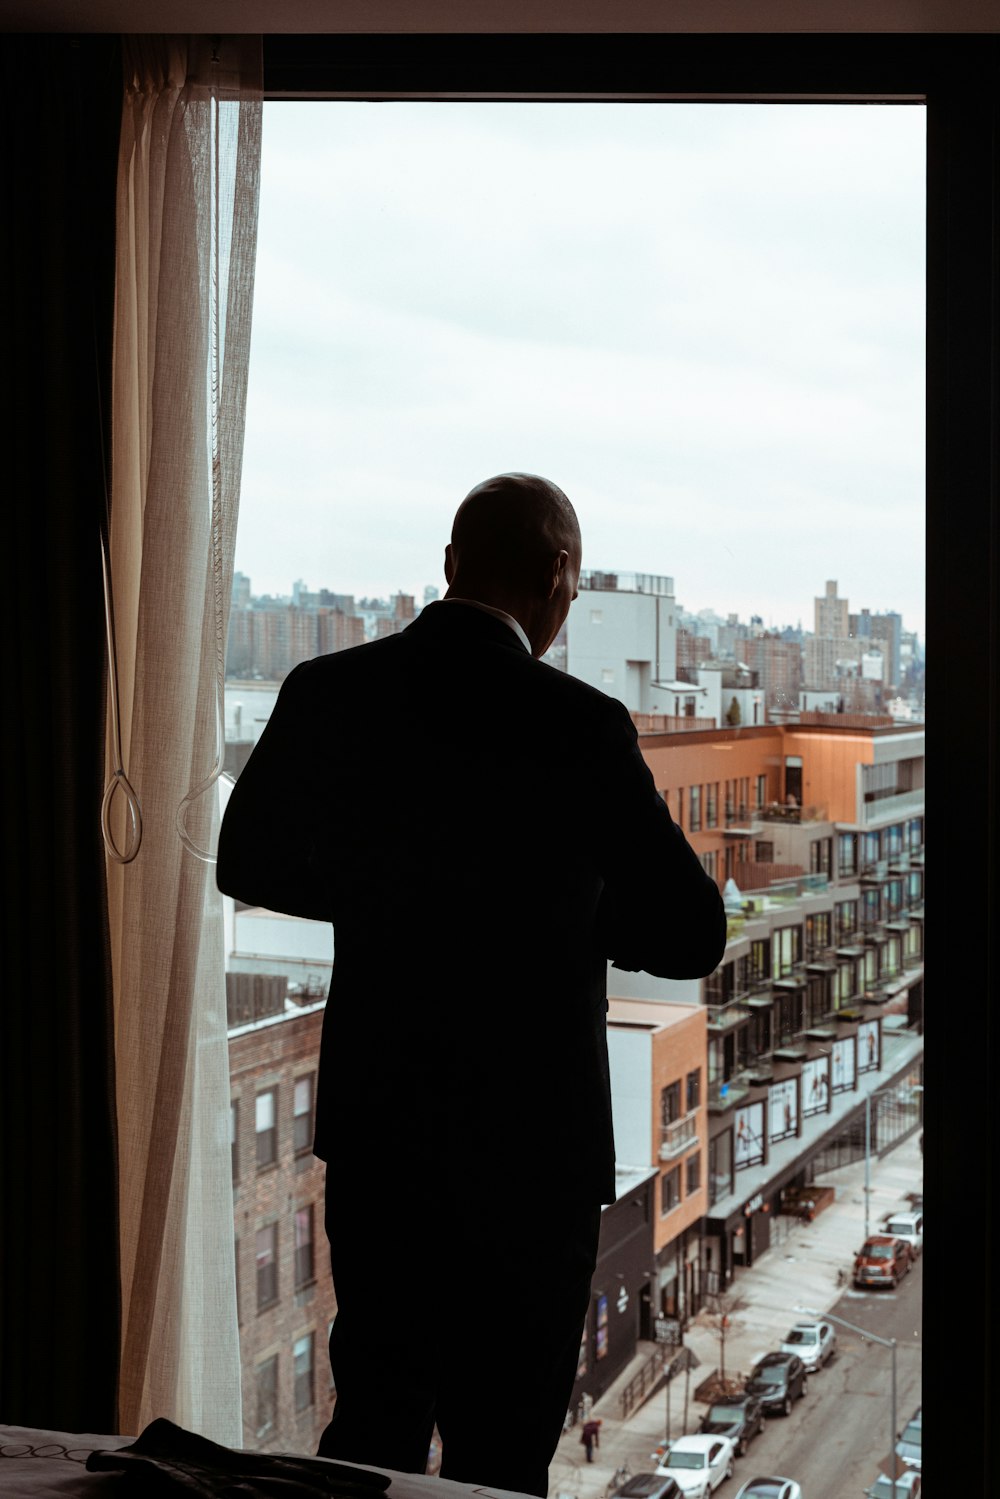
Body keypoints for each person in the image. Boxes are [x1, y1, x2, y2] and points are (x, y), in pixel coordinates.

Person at [216, 473, 726, 1497]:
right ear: (556, 579)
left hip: (385, 1133)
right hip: (533, 1153)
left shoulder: (330, 689)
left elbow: (247, 863)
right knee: (501, 1454)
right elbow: (691, 931)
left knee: (375, 1425)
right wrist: (573, 914)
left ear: (449, 566)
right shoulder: (581, 724)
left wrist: (382, 891)